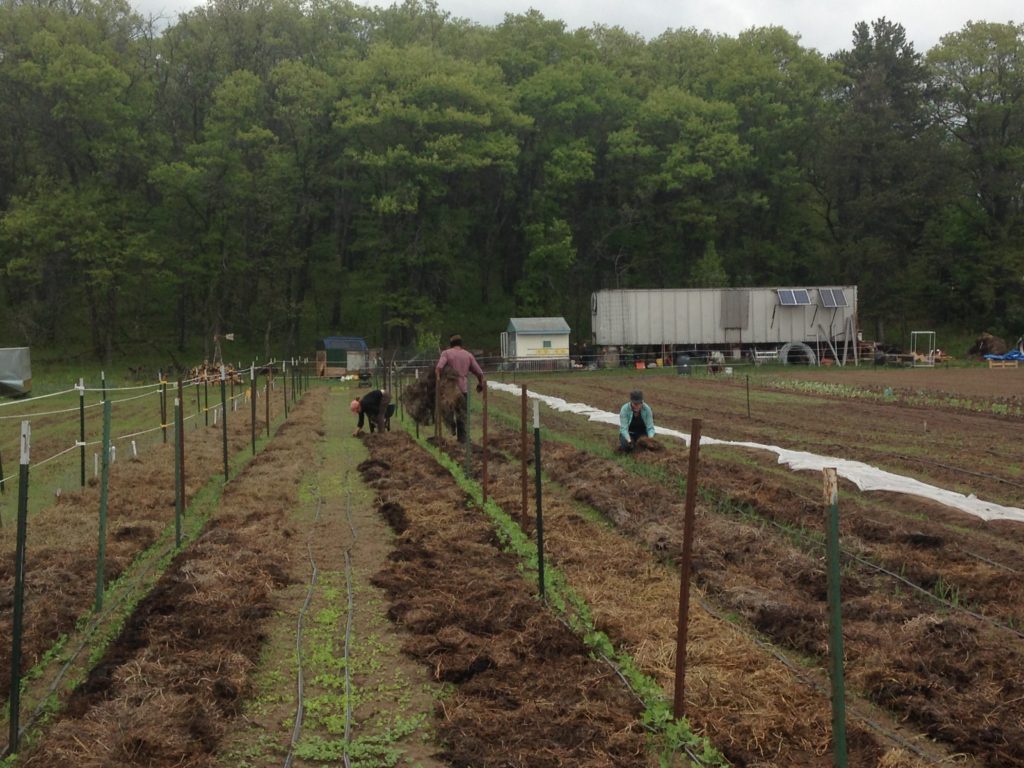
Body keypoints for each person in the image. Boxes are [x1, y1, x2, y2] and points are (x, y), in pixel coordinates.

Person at [435, 334, 485, 442]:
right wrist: (481, 384)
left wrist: (438, 382)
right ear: (461, 344)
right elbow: (479, 372)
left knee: (447, 409)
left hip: (450, 389)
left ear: (451, 344)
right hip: (463, 389)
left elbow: (438, 368)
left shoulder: (446, 353)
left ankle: (451, 425)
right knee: (462, 413)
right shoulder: (468, 355)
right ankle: (462, 438)